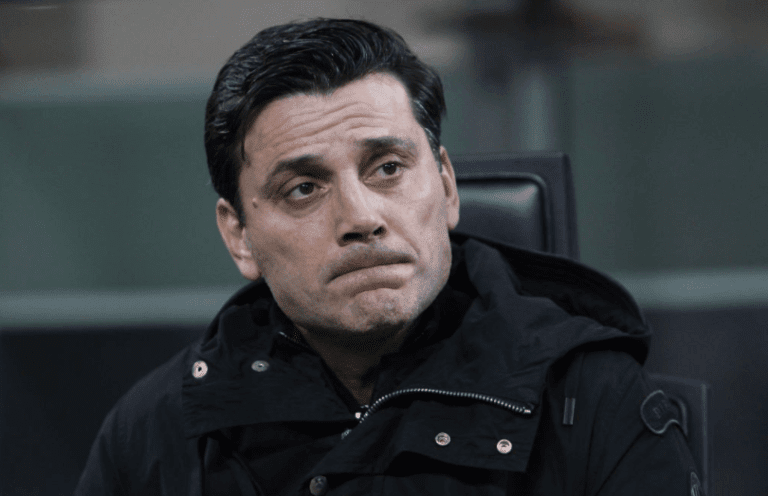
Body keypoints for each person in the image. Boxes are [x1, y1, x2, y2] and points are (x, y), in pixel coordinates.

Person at [75, 18, 703, 496]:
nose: (361, 217)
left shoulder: (592, 399)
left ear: (447, 186)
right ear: (239, 236)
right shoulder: (158, 429)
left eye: (387, 168)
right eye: (303, 188)